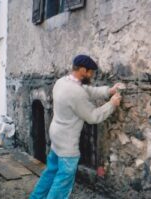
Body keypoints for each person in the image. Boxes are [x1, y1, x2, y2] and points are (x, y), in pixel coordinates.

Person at [30, 54, 123, 199]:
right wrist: (112, 104)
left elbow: (87, 91)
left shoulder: (62, 82)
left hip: (56, 134)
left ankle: (36, 197)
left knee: (51, 171)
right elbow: (93, 116)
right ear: (83, 70)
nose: (92, 75)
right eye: (91, 72)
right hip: (67, 141)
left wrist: (108, 91)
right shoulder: (76, 92)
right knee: (63, 181)